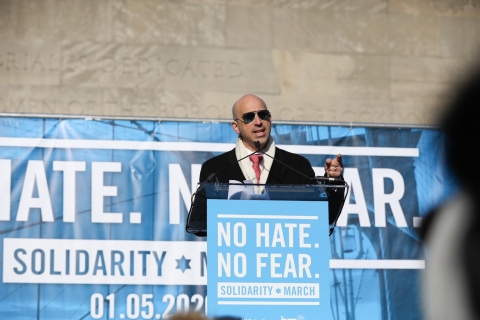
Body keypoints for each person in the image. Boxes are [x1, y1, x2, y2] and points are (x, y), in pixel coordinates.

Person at [187, 94, 345, 236]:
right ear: (236, 126)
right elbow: (202, 222)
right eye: (249, 117)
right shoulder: (214, 168)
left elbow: (323, 218)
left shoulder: (298, 166)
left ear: (270, 118)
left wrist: (333, 182)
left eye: (263, 115)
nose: (258, 122)